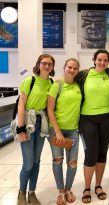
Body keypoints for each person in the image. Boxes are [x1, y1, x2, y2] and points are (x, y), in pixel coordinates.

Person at [76, 49, 109, 203]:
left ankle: (98, 185)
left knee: (102, 152)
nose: (102, 62)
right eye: (99, 59)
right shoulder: (84, 74)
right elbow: (68, 79)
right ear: (94, 60)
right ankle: (87, 187)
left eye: (105, 60)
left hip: (108, 117)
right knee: (90, 153)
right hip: (87, 119)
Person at [16, 54, 55, 205]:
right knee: (28, 163)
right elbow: (21, 105)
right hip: (28, 123)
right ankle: (21, 192)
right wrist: (20, 129)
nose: (46, 66)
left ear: (52, 67)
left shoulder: (51, 83)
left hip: (41, 123)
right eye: (44, 63)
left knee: (37, 162)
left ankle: (32, 193)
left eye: (50, 64)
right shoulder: (29, 81)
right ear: (38, 64)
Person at [47, 58, 82, 205]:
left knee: (72, 163)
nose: (72, 70)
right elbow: (50, 109)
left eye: (75, 68)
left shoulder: (78, 86)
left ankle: (68, 189)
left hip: (73, 131)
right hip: (56, 130)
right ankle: (61, 192)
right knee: (58, 161)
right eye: (70, 67)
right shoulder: (57, 85)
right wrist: (58, 131)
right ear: (64, 67)